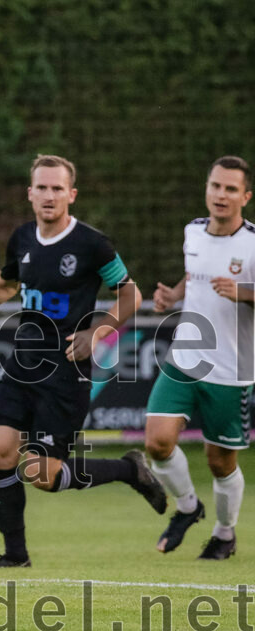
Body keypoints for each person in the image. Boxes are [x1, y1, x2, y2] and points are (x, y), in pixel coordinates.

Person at [0, 154, 165, 567]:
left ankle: (128, 470)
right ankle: (15, 555)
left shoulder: (92, 244)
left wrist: (97, 332)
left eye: (57, 188)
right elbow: (8, 284)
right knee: (0, 451)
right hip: (23, 364)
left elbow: (130, 294)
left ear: (71, 195)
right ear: (30, 194)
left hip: (66, 370)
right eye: (41, 188)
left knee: (42, 476)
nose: (49, 195)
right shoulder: (24, 238)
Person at [144, 155, 254, 560]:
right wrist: (174, 296)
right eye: (215, 186)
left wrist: (243, 292)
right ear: (207, 188)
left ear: (245, 196)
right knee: (157, 441)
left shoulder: (252, 243)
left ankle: (225, 534)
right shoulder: (192, 232)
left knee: (219, 461)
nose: (220, 195)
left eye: (230, 189)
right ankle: (188, 508)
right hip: (186, 357)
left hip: (233, 370)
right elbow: (196, 275)